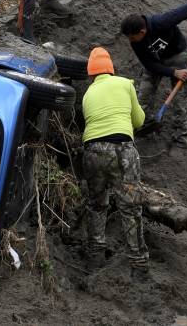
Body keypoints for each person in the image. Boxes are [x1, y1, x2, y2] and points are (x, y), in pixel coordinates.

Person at [81, 47, 149, 278]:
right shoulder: (124, 83)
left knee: (97, 204)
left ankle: (95, 259)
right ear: (111, 69)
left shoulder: (88, 94)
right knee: (130, 207)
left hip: (92, 151)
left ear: (91, 74)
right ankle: (138, 265)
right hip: (123, 151)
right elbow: (139, 120)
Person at [120, 3, 187, 147]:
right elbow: (150, 65)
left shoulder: (161, 22)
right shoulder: (136, 43)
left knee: (180, 97)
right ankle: (142, 127)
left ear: (142, 31)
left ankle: (181, 137)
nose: (130, 41)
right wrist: (173, 72)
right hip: (155, 62)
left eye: (132, 37)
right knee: (143, 95)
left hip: (176, 56)